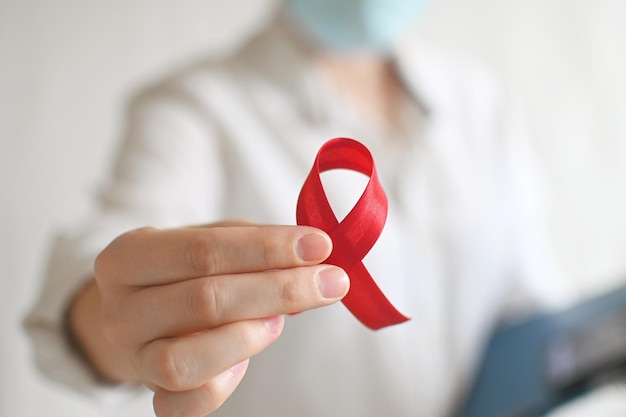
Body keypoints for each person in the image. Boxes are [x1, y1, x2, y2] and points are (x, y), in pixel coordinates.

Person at [24, 0, 570, 416]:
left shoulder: (481, 103)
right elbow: (108, 262)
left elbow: (524, 306)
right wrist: (118, 323)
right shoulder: (193, 109)